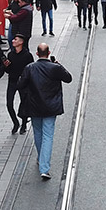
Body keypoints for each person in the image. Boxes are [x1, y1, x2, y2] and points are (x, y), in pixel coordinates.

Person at [18, 43, 74, 179]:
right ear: (49, 53)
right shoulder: (55, 68)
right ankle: (44, 168)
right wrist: (59, 65)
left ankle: (41, 158)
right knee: (48, 136)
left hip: (34, 106)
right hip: (50, 107)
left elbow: (20, 85)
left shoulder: (30, 68)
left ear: (37, 54)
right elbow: (68, 78)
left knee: (38, 133)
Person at [4, 34, 34, 134]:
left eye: (15, 39)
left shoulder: (27, 55)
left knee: (24, 103)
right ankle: (15, 122)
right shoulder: (10, 54)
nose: (13, 41)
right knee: (9, 104)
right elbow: (8, 70)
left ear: (21, 42)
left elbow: (31, 69)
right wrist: (6, 66)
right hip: (12, 81)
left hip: (23, 82)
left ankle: (24, 124)